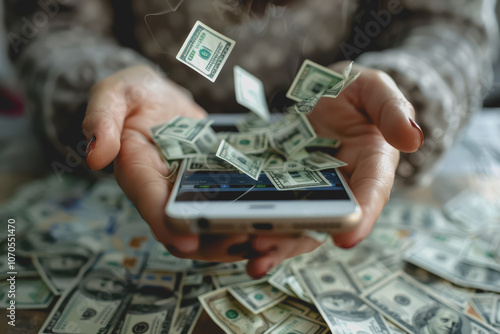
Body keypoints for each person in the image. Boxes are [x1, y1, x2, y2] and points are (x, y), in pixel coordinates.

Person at [3, 0, 498, 278]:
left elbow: (448, 23)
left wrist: (400, 92)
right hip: (129, 150)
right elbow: (52, 19)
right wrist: (104, 85)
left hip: (341, 126)